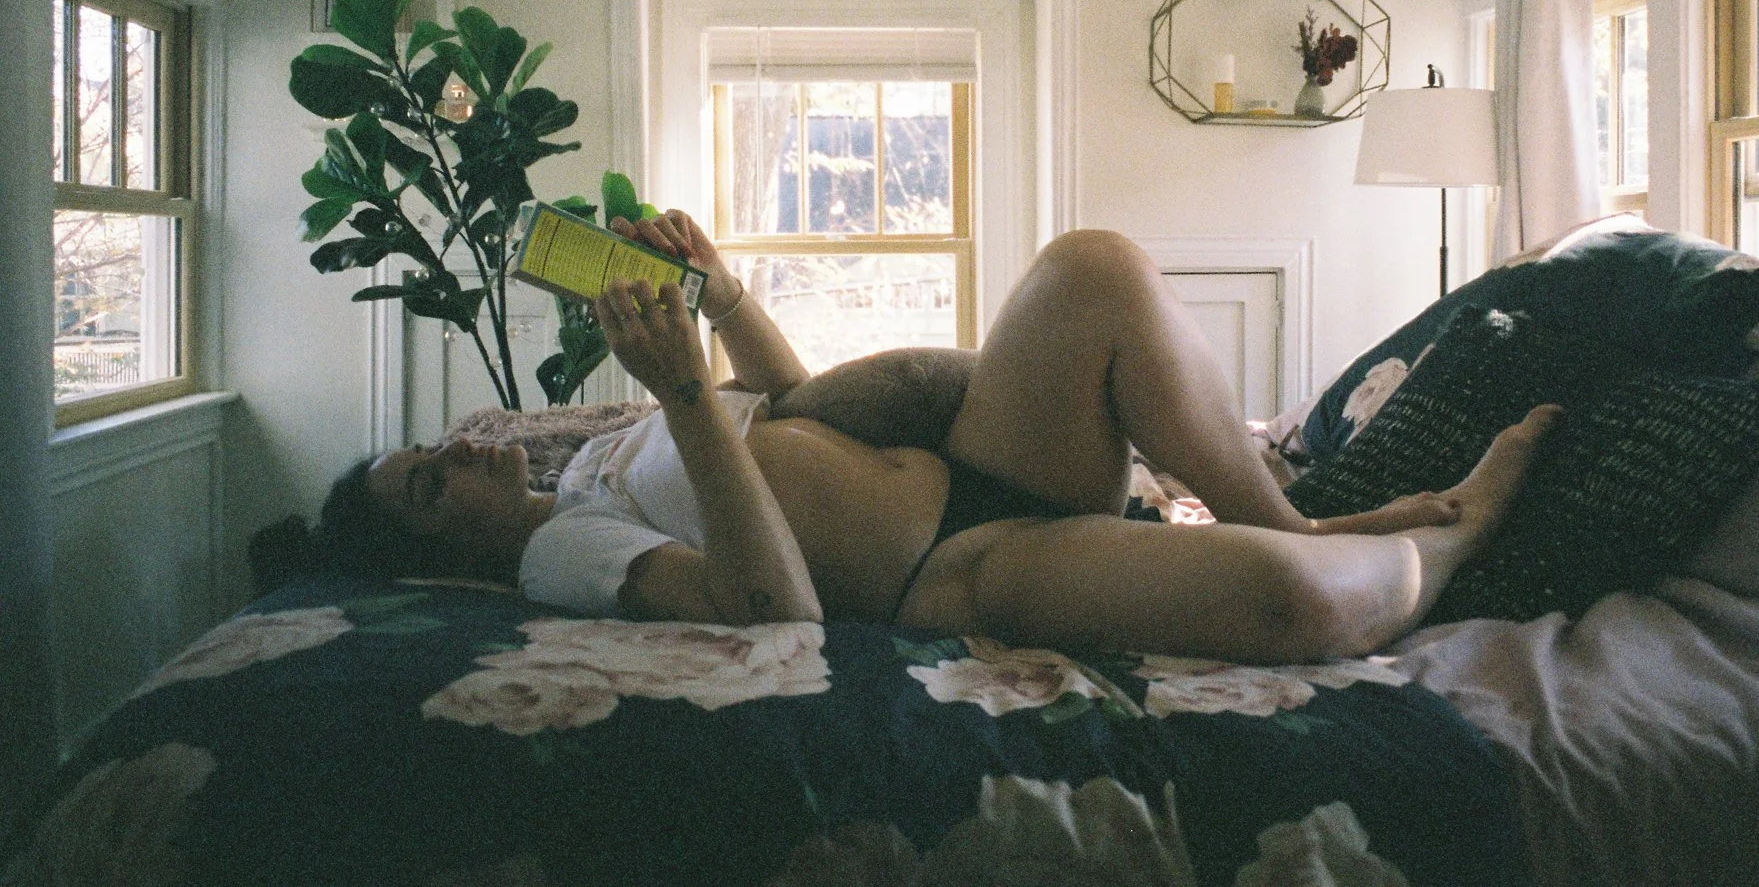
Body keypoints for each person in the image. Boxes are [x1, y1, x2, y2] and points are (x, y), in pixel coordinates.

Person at [283, 214, 1559, 664]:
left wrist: (720, 301)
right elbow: (772, 608)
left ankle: (1301, 513)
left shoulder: (595, 460)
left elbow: (790, 409)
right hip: (956, 569)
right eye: (430, 488)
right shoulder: (555, 554)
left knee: (1092, 267)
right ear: (441, 562)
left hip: (986, 463)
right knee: (1293, 607)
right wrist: (678, 398)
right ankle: (1448, 549)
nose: (457, 455)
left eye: (430, 450)